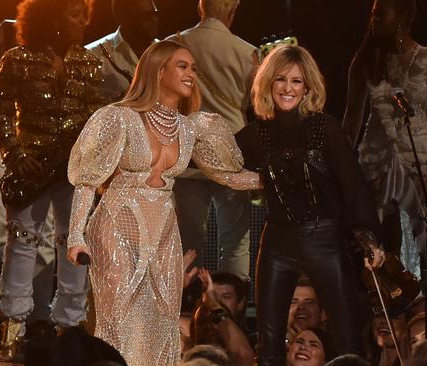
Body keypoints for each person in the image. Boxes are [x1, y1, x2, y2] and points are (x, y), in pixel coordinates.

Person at [66, 40, 261, 366]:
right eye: (183, 66)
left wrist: (276, 180)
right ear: (158, 70)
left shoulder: (191, 127)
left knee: (162, 317)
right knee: (117, 315)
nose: (191, 74)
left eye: (194, 69)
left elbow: (229, 176)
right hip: (118, 223)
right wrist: (75, 236)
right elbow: (87, 180)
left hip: (163, 230)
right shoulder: (120, 118)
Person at [235, 45, 386, 365]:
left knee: (347, 338)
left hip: (325, 240)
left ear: (308, 87)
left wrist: (368, 234)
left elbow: (352, 183)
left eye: (296, 81)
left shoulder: (323, 127)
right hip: (276, 240)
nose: (288, 88)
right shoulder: (255, 135)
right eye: (280, 80)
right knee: (269, 344)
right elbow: (218, 161)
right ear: (268, 83)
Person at [0, 0, 101, 361]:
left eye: (85, 16)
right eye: (74, 15)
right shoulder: (16, 59)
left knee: (74, 245)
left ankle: (70, 329)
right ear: (50, 15)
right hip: (30, 169)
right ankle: (13, 331)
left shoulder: (88, 62)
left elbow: (95, 118)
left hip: (74, 170)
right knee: (22, 245)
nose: (82, 23)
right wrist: (17, 157)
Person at [0, 18, 56, 334]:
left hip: (48, 143)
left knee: (43, 229)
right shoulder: (6, 30)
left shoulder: (70, 38)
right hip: (5, 133)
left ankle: (37, 321)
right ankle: (9, 259)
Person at [167, 0, 256, 280]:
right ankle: (233, 309)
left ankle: (188, 309)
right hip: (231, 156)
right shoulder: (247, 52)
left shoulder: (173, 44)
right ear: (233, 10)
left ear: (200, 8)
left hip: (187, 155)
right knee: (235, 244)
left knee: (188, 242)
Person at [343, 0, 427, 275]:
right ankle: (387, 310)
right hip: (375, 164)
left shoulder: (426, 60)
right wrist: (341, 170)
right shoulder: (366, 60)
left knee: (423, 242)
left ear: (403, 16)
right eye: (372, 15)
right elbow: (351, 121)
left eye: (381, 14)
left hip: (419, 160)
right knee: (380, 243)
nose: (375, 20)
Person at [85, 0, 159, 102]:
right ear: (123, 17)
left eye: (156, 14)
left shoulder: (168, 53)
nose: (155, 19)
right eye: (147, 15)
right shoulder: (92, 54)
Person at [287, 276, 327, 344]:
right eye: (294, 302)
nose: (301, 307)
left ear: (323, 314)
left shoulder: (338, 350)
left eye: (309, 302)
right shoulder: (270, 345)